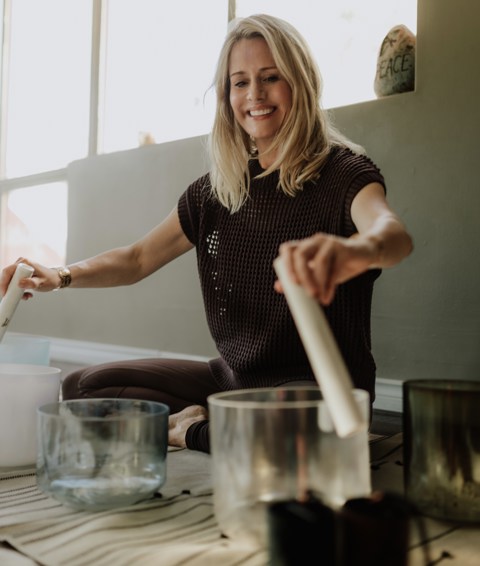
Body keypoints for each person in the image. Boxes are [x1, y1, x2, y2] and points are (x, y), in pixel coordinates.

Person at [0, 14, 413, 454]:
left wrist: (354, 253)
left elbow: (393, 236)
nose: (254, 94)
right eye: (240, 82)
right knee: (84, 386)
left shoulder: (342, 171)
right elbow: (138, 258)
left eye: (270, 78)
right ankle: (223, 427)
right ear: (226, 95)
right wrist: (60, 275)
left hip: (319, 392)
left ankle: (188, 431)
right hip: (234, 380)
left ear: (301, 82)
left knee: (305, 438)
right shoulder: (217, 191)